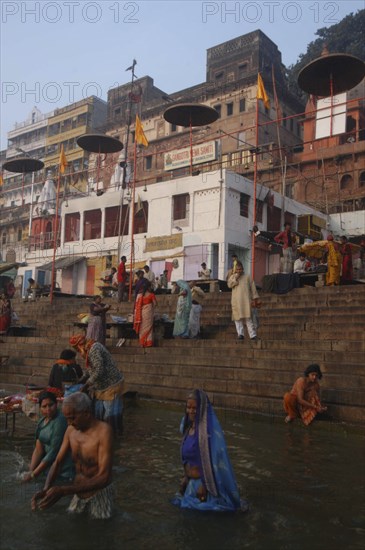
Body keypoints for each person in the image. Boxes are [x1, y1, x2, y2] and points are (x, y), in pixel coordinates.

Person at [31, 392, 114, 519]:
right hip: (77, 491)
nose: (69, 423)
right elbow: (58, 462)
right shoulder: (71, 431)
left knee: (99, 531)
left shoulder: (104, 431)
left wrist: (64, 491)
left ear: (86, 413)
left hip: (99, 493)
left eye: (73, 418)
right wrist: (46, 489)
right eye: (67, 418)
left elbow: (104, 477)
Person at [172, 389, 246, 512]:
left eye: (194, 408)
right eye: (188, 407)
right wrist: (186, 477)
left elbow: (215, 460)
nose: (191, 411)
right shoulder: (186, 427)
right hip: (190, 487)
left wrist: (205, 485)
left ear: (201, 409)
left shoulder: (208, 433)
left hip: (205, 490)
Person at [69, 334, 124, 435]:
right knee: (98, 414)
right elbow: (90, 369)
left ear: (80, 345)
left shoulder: (94, 349)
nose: (77, 351)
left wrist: (86, 385)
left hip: (111, 384)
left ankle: (113, 436)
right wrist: (82, 379)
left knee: (110, 415)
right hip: (100, 386)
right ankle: (99, 434)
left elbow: (98, 370)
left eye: (76, 348)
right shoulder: (87, 350)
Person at [22, 391, 74, 483]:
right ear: (40, 408)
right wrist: (30, 471)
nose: (48, 409)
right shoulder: (42, 421)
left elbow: (53, 452)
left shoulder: (60, 421)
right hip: (47, 467)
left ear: (56, 404)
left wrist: (33, 475)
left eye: (51, 405)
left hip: (62, 471)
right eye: (44, 406)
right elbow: (38, 449)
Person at [227, 261, 260, 341]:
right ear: (235, 269)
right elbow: (229, 285)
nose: (239, 271)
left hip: (246, 301)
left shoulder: (248, 277)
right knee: (237, 319)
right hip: (236, 301)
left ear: (243, 269)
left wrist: (255, 298)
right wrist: (236, 278)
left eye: (240, 269)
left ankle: (252, 335)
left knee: (248, 318)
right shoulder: (232, 277)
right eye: (237, 269)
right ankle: (240, 334)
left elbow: (253, 289)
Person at [133, 279, 157, 347]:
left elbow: (136, 305)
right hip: (148, 314)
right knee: (148, 327)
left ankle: (142, 343)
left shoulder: (139, 296)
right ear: (149, 287)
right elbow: (155, 304)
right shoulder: (151, 295)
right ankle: (148, 343)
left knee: (142, 328)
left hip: (141, 314)